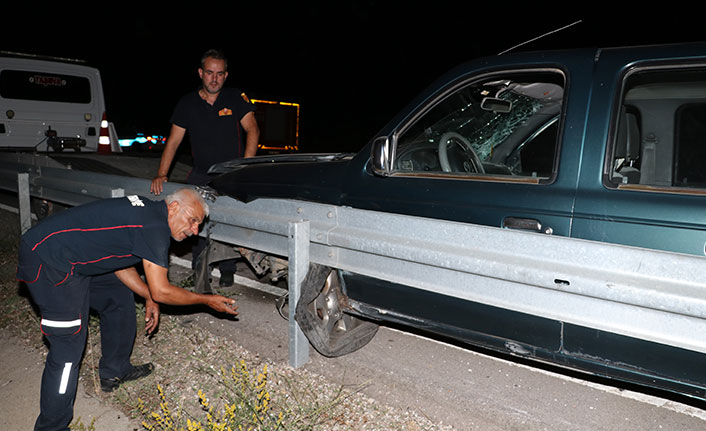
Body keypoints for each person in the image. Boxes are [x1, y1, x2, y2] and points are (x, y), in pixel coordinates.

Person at [16, 188, 238, 431]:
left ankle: (114, 370)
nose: (195, 230)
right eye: (192, 220)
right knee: (67, 346)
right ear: (173, 208)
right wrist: (205, 300)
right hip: (48, 260)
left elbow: (117, 258)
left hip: (73, 260)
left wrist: (147, 294)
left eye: (199, 224)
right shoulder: (154, 227)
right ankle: (51, 427)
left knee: (118, 295)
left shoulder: (148, 213)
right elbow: (162, 291)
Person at [151, 48, 259, 287]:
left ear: (226, 75)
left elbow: (253, 129)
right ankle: (199, 269)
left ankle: (227, 269)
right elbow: (174, 141)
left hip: (231, 173)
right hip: (200, 173)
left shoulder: (234, 97)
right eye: (210, 73)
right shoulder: (187, 103)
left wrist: (246, 167)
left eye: (220, 74)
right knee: (194, 221)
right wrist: (161, 174)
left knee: (228, 221)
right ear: (200, 73)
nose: (214, 78)